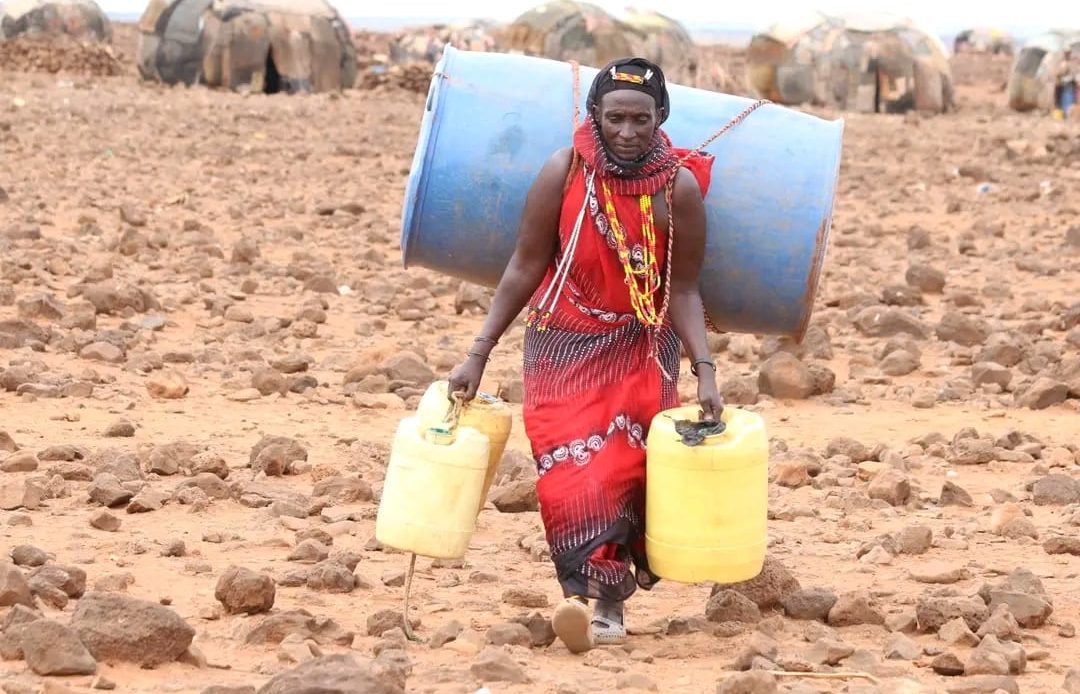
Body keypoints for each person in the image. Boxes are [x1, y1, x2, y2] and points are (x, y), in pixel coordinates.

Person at [448, 57, 723, 654]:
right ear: (594, 114)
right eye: (615, 118)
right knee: (570, 474)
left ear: (661, 117)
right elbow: (525, 265)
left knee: (623, 469)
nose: (627, 131)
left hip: (641, 343)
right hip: (562, 342)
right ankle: (589, 585)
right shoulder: (565, 171)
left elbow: (683, 289)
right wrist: (478, 353)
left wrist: (705, 370)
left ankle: (607, 605)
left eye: (641, 119)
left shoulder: (677, 188)